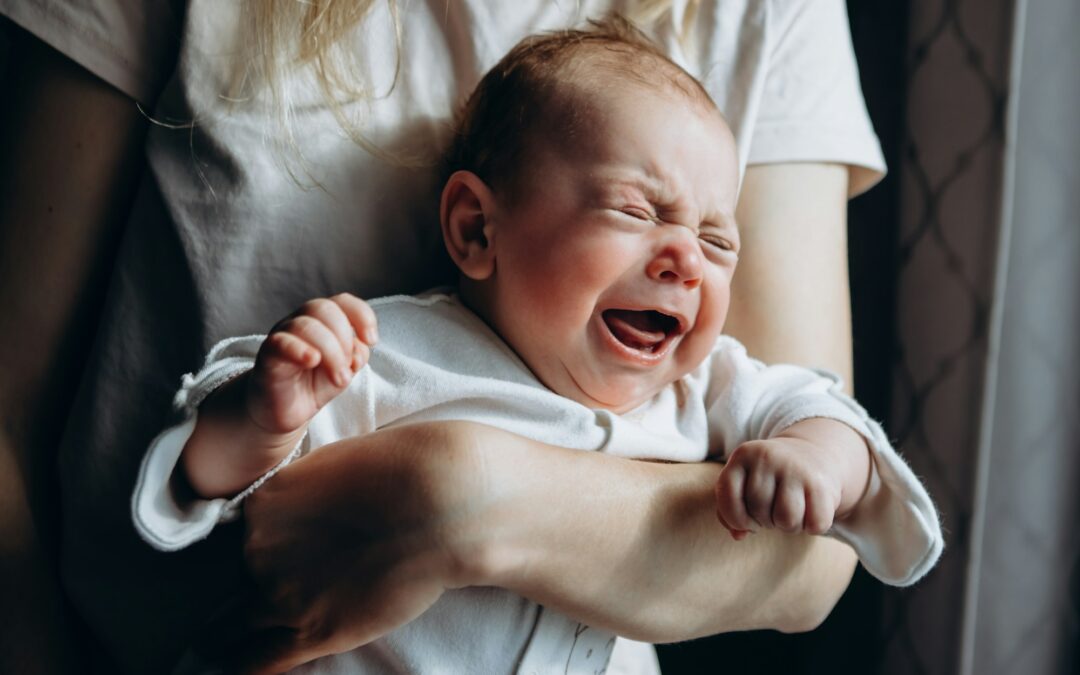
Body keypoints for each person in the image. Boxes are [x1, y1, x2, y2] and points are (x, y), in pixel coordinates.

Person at [0, 1, 894, 673]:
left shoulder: (704, 386)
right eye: (634, 210)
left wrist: (823, 452)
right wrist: (262, 418)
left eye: (717, 239)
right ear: (473, 230)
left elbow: (821, 489)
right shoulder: (395, 352)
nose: (686, 264)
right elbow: (196, 465)